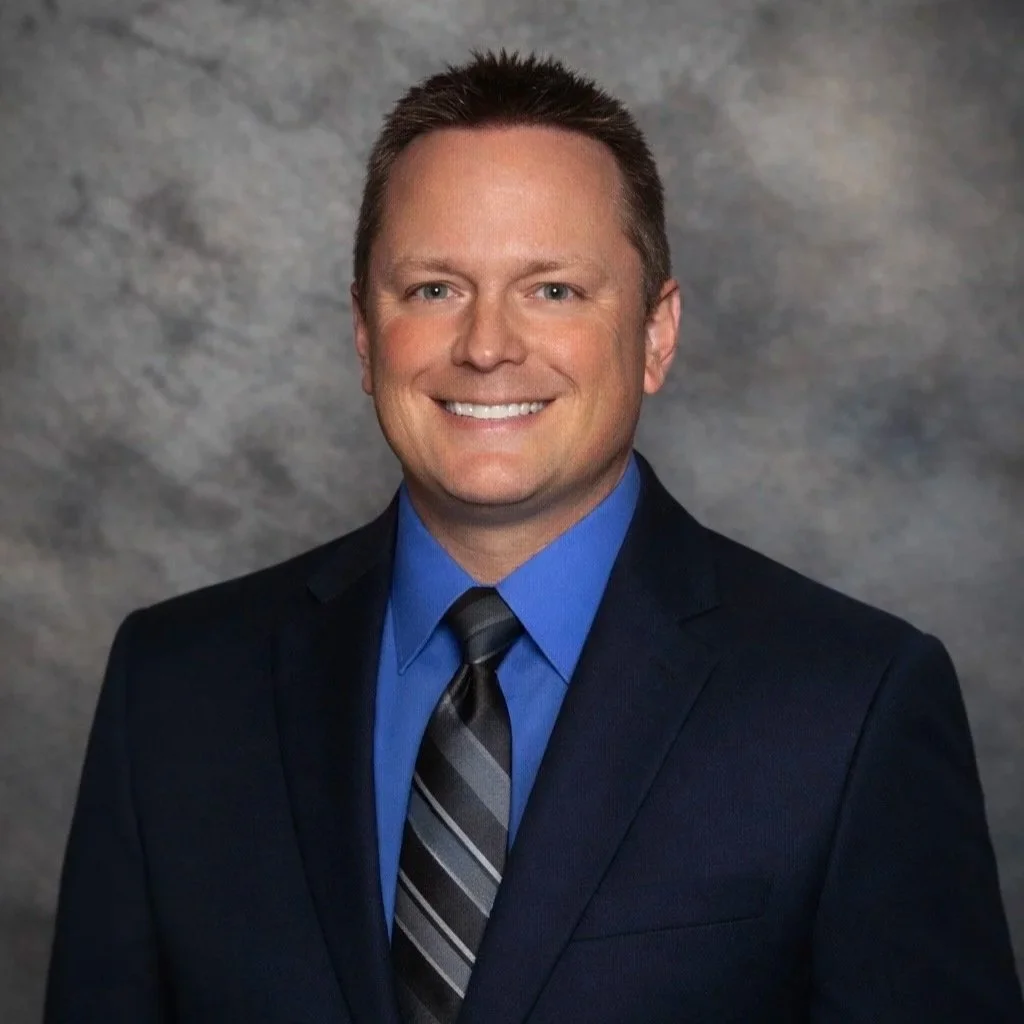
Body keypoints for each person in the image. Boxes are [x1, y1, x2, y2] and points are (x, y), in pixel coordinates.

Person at [44, 48, 1023, 1024]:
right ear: (364, 333)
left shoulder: (854, 704)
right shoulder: (171, 689)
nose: (485, 346)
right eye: (433, 289)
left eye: (553, 290)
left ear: (656, 334)